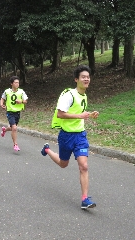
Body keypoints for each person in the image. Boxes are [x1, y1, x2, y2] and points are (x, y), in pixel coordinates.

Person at [40, 65, 99, 209]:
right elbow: (61, 114)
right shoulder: (69, 95)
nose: (86, 79)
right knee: (63, 164)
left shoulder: (84, 95)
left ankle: (85, 199)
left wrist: (89, 114)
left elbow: (79, 112)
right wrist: (80, 115)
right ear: (76, 79)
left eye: (88, 77)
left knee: (84, 166)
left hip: (80, 135)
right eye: (83, 77)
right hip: (66, 136)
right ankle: (47, 150)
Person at [0, 76, 28, 151]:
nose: (17, 84)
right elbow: (2, 98)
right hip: (10, 112)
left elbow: (25, 101)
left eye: (18, 82)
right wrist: (1, 104)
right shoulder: (7, 91)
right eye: (15, 82)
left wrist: (21, 101)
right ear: (11, 84)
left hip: (17, 113)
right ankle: (15, 145)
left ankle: (4, 130)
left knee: (13, 128)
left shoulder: (21, 92)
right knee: (14, 128)